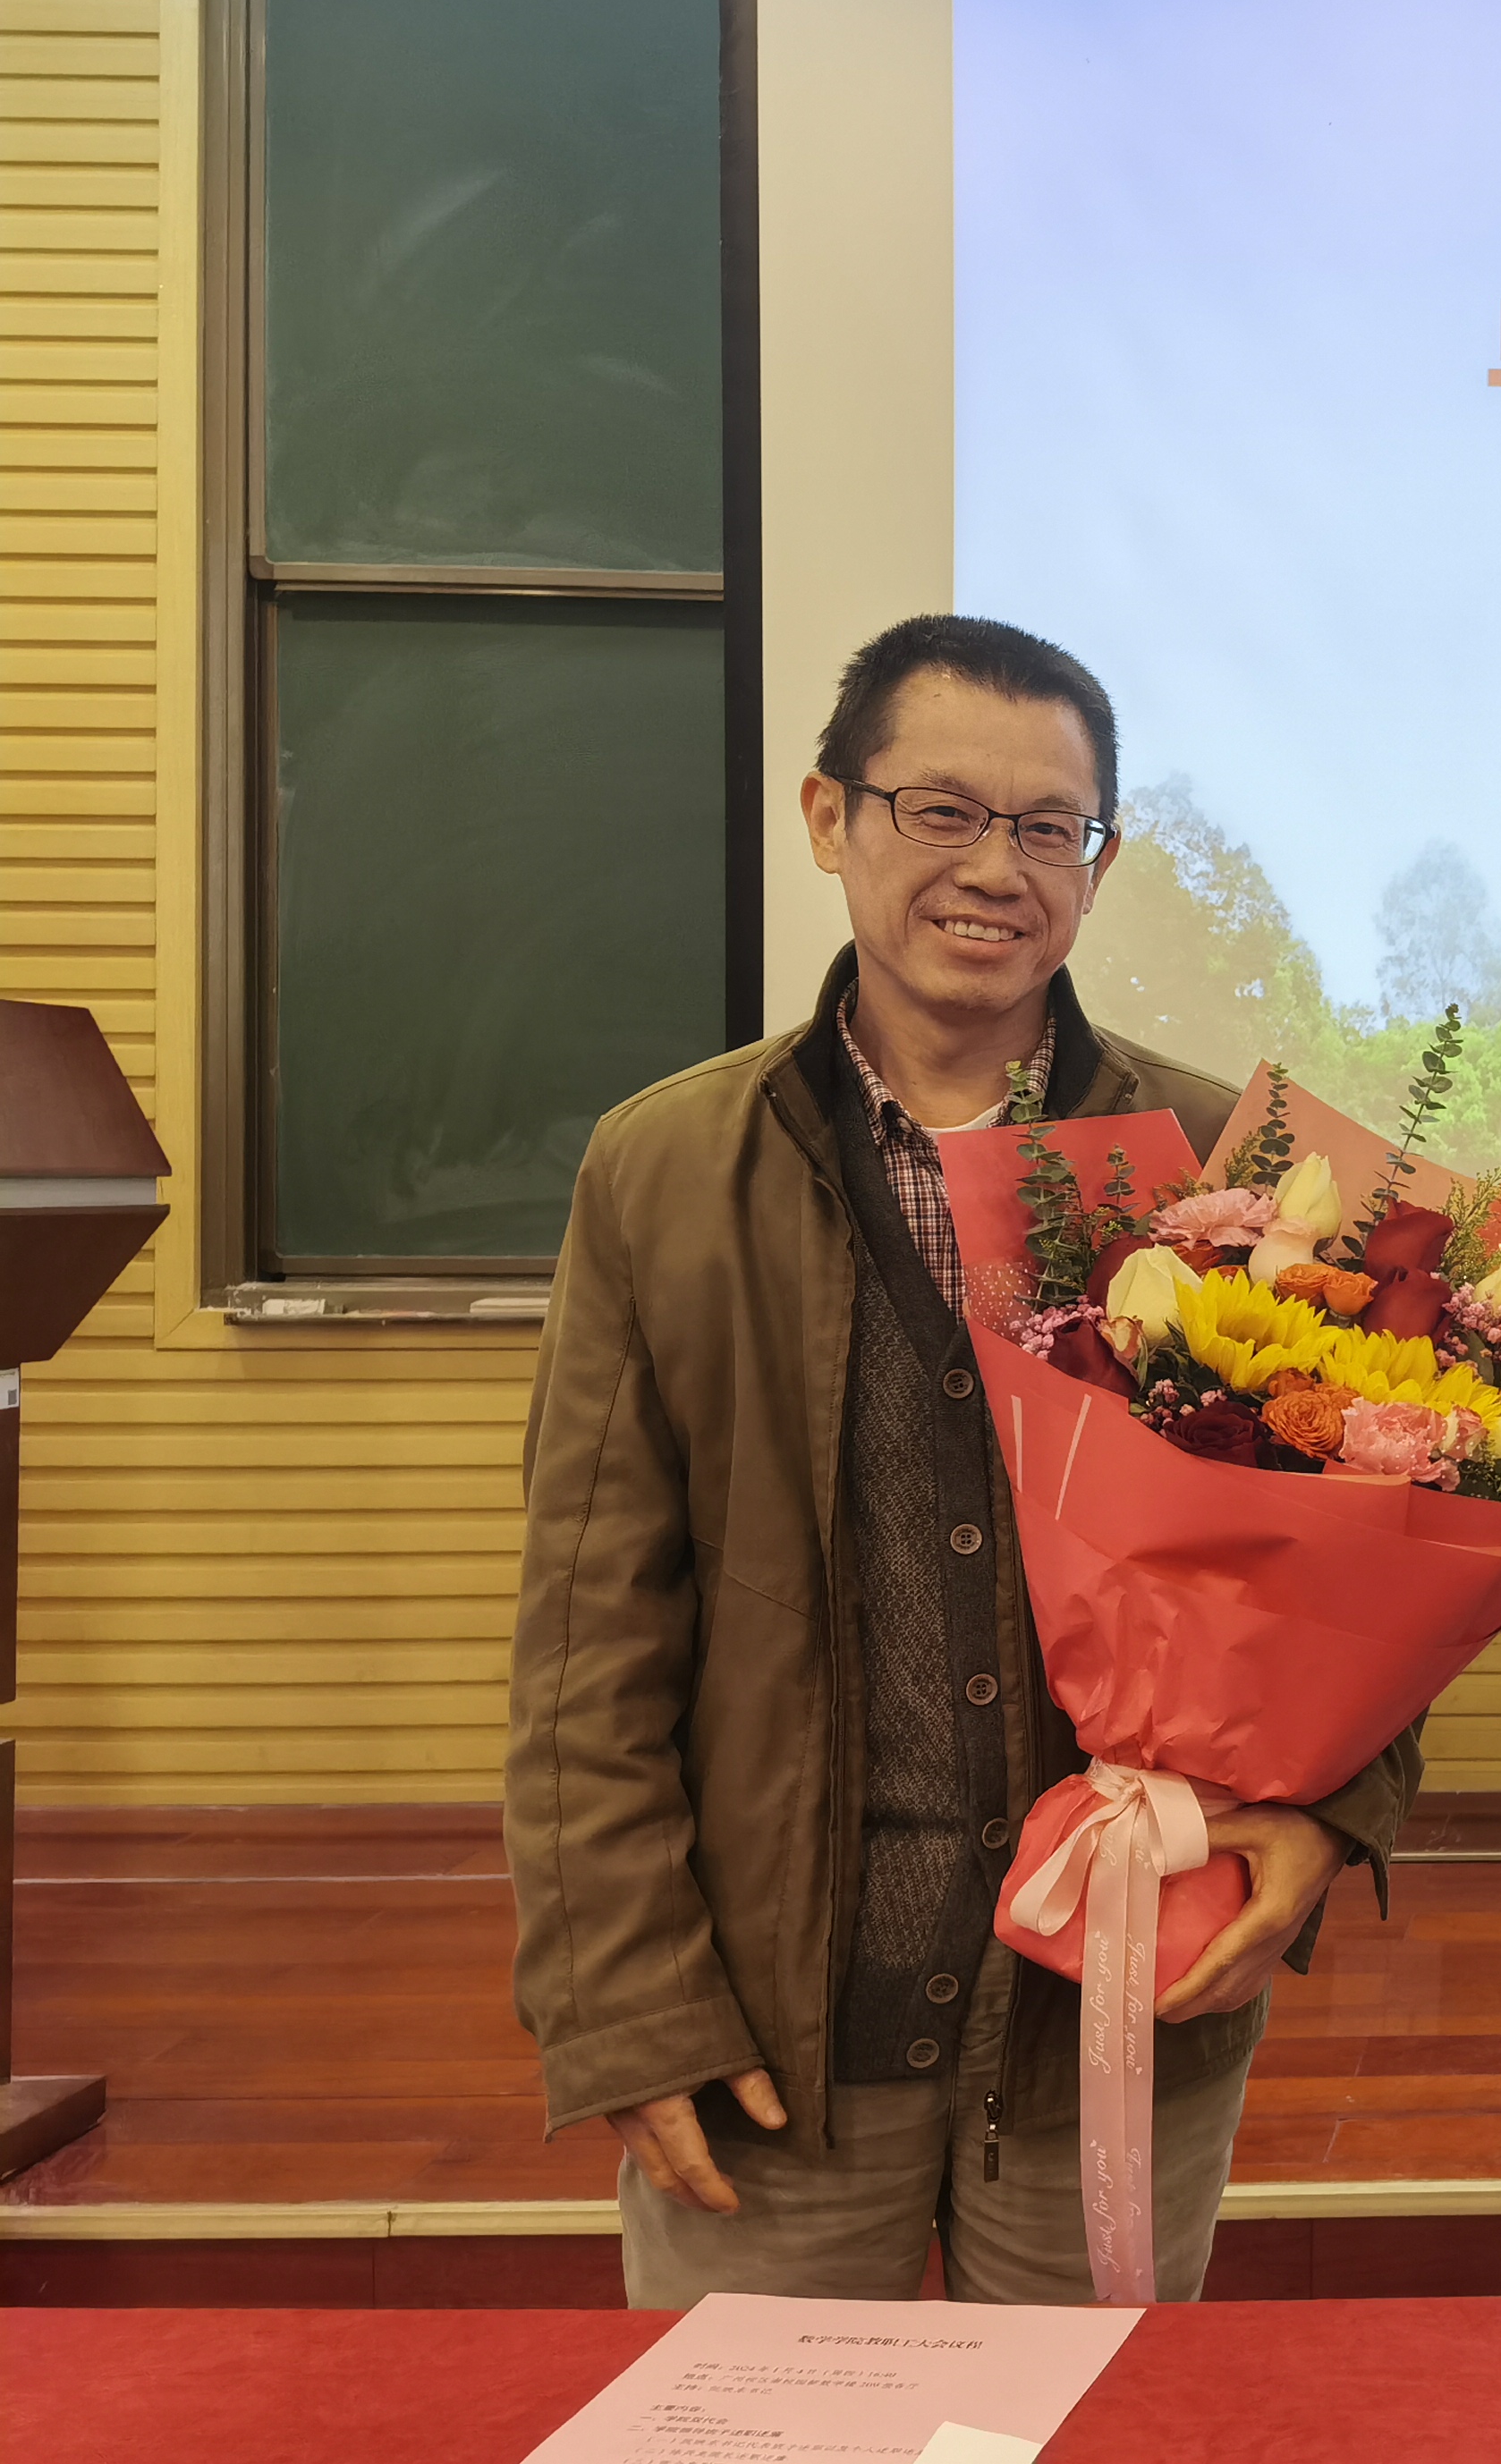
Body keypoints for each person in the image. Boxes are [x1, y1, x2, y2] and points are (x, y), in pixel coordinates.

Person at [505, 614, 1420, 2305]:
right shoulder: (666, 1168)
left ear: (1099, 863)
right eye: (940, 811)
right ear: (828, 817)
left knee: (1095, 2429)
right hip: (770, 2019)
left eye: (1048, 827)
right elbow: (589, 1637)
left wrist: (1334, 1818)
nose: (996, 869)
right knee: (763, 2432)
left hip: (1114, 2000)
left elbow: (1375, 1546)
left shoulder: (1229, 1166)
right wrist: (625, 2001)